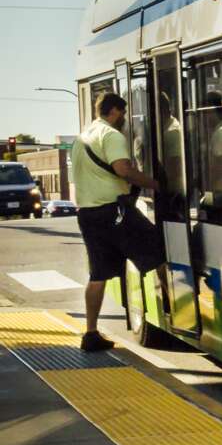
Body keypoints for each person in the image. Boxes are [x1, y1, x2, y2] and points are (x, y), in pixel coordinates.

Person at [70, 92, 164, 352]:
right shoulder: (111, 135)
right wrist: (156, 184)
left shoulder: (81, 138)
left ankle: (90, 333)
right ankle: (172, 308)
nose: (123, 120)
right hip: (114, 211)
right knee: (159, 250)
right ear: (113, 111)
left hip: (87, 214)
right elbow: (124, 170)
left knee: (98, 274)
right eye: (122, 114)